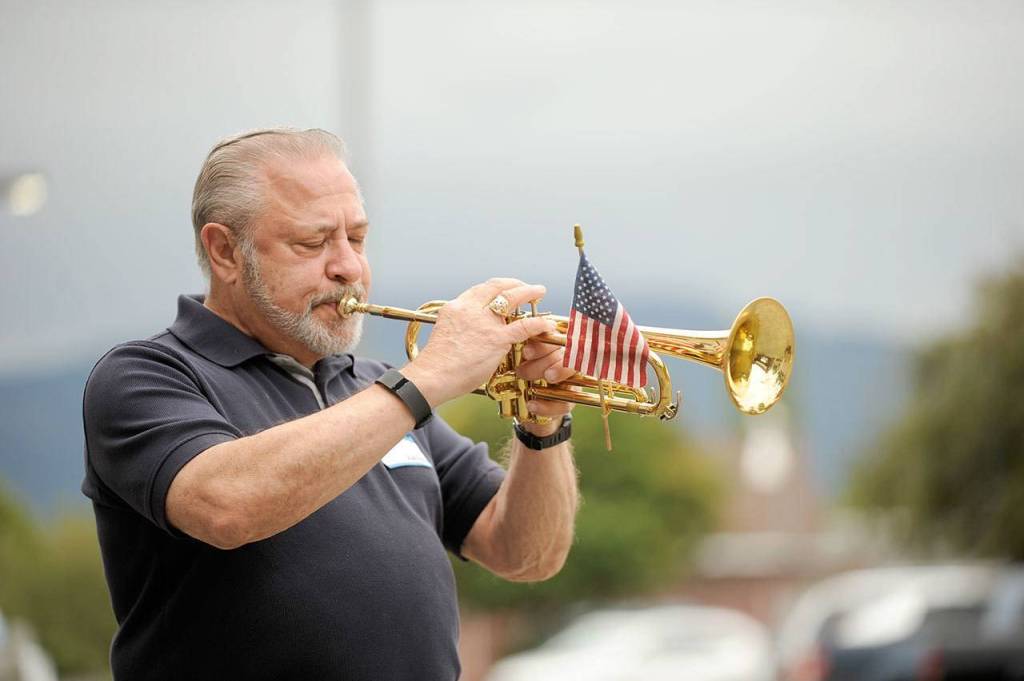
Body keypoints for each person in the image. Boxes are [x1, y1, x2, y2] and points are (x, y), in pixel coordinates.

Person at [81, 128, 579, 681]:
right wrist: (432, 377)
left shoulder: (376, 387)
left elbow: (526, 554)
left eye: (357, 239)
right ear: (225, 251)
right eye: (313, 243)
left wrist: (542, 422)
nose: (348, 267)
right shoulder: (146, 375)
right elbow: (225, 506)